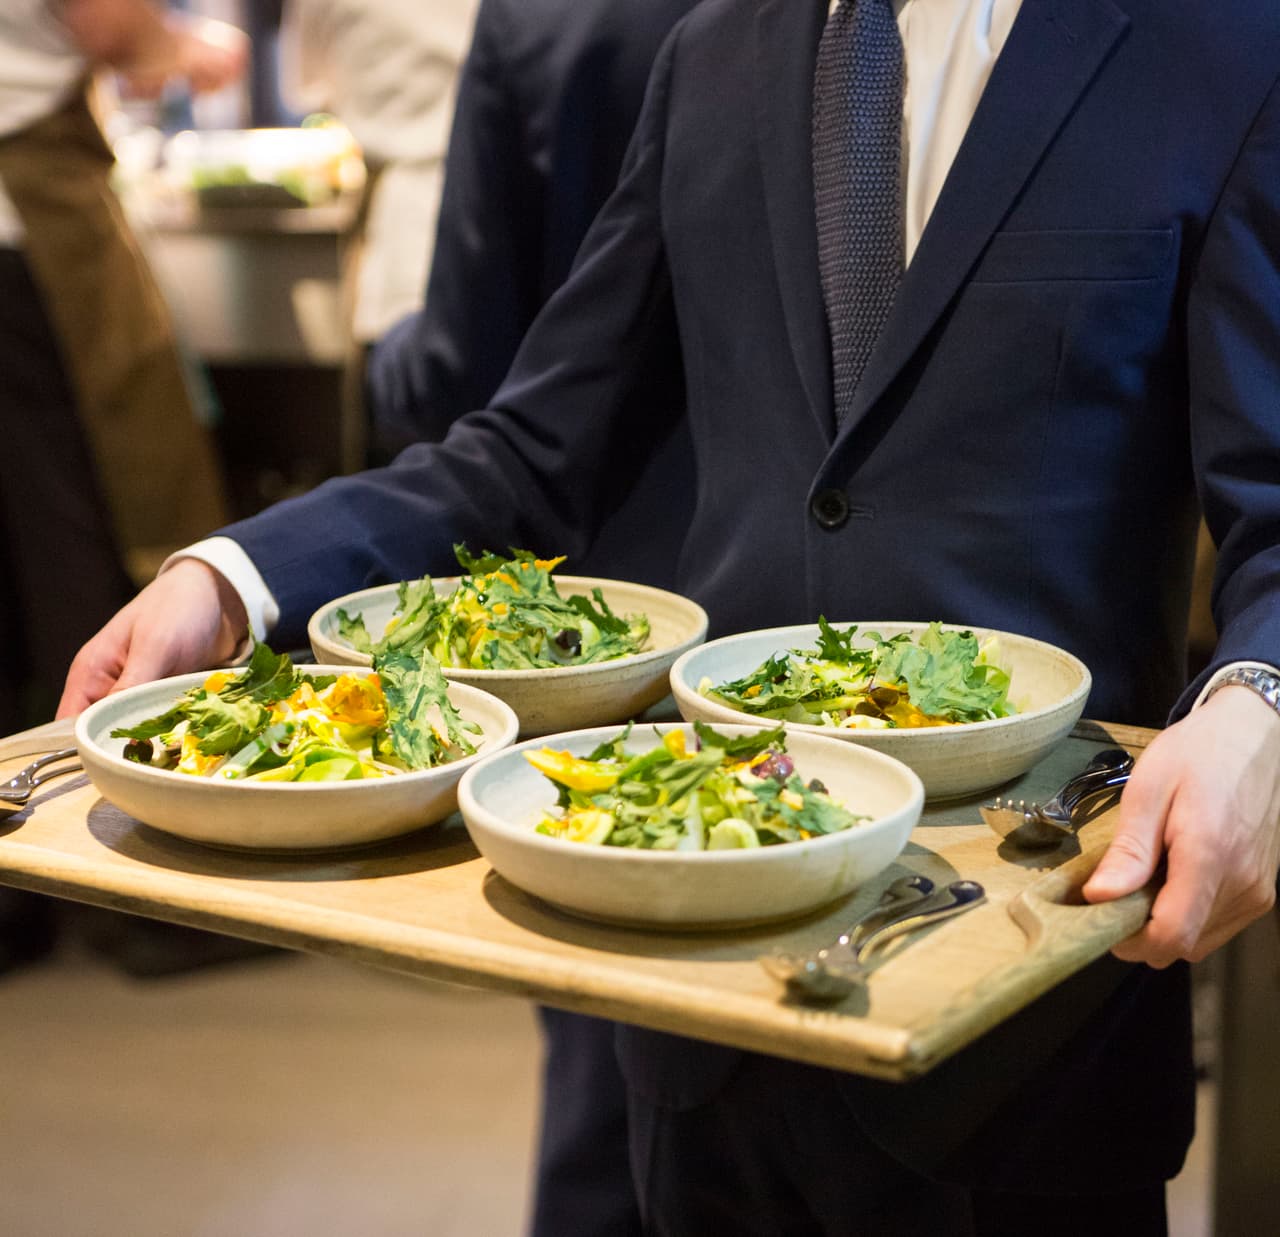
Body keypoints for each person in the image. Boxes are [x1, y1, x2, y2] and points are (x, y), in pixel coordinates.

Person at [59, 1, 1280, 1232]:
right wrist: (227, 577)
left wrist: (1255, 700)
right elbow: (534, 446)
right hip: (701, 984)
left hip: (1023, 991)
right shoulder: (718, 50)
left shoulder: (1213, 45)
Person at [365, 4, 699, 1233]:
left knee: (608, 1078)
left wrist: (375, 363)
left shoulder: (542, 20)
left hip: (594, 611)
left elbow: (467, 373)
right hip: (786, 643)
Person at [0, 0, 243, 974]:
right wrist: (191, 48)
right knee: (83, 554)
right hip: (23, 226)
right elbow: (112, 25)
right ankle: (129, 888)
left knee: (13, 581)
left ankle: (21, 904)